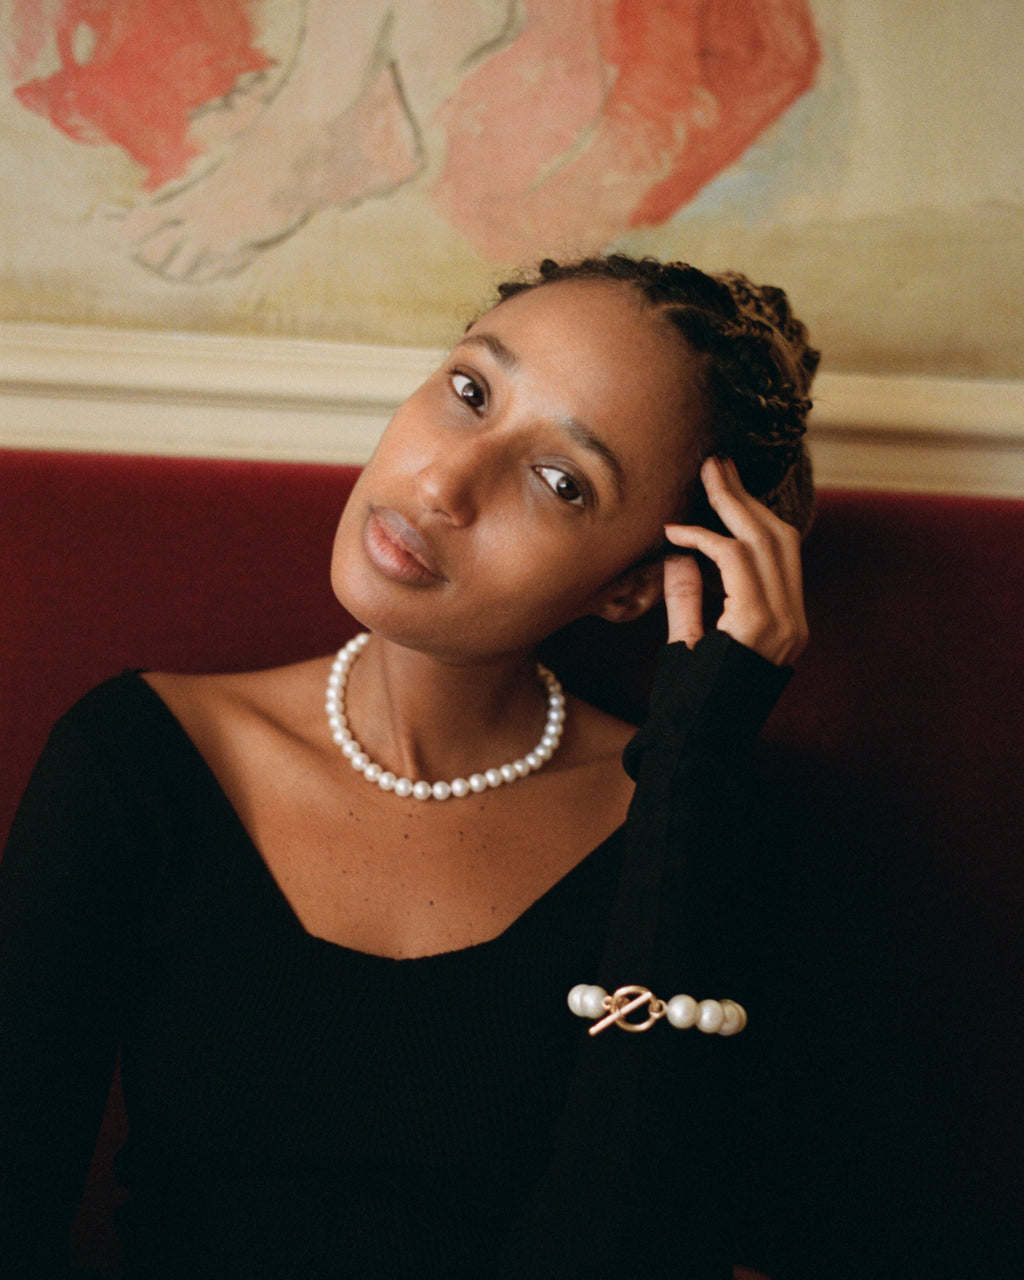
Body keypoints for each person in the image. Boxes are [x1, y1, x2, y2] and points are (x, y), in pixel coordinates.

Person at [1, 254, 832, 1278]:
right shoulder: (137, 760)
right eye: (470, 390)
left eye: (561, 480)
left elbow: (661, 1241)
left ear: (635, 588)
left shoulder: (705, 824)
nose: (441, 482)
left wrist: (690, 764)